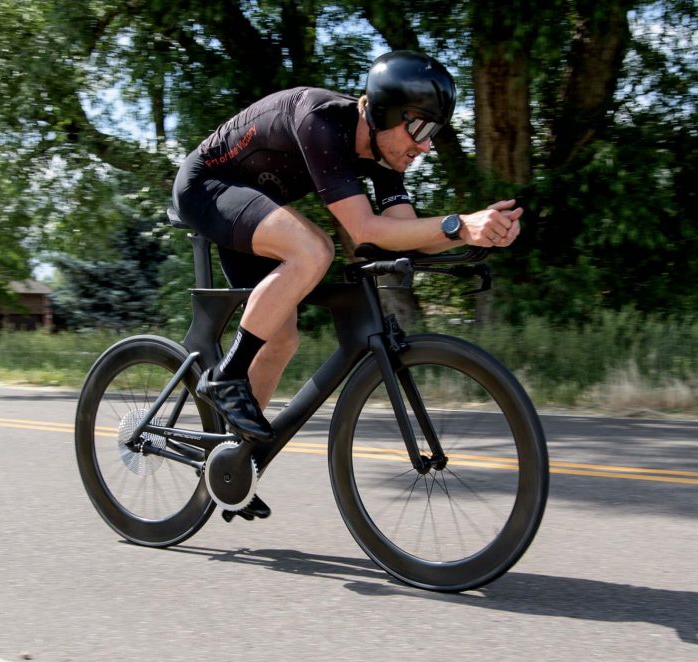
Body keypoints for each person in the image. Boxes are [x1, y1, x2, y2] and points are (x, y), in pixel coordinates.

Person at [172, 50, 522, 519]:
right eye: (419, 129)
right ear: (384, 113)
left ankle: (235, 462)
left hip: (252, 205)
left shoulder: (382, 157)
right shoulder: (323, 122)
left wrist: (480, 233)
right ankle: (227, 375)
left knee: (283, 337)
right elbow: (366, 230)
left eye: (434, 134)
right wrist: (459, 224)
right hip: (206, 188)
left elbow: (406, 234)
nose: (425, 147)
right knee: (315, 249)